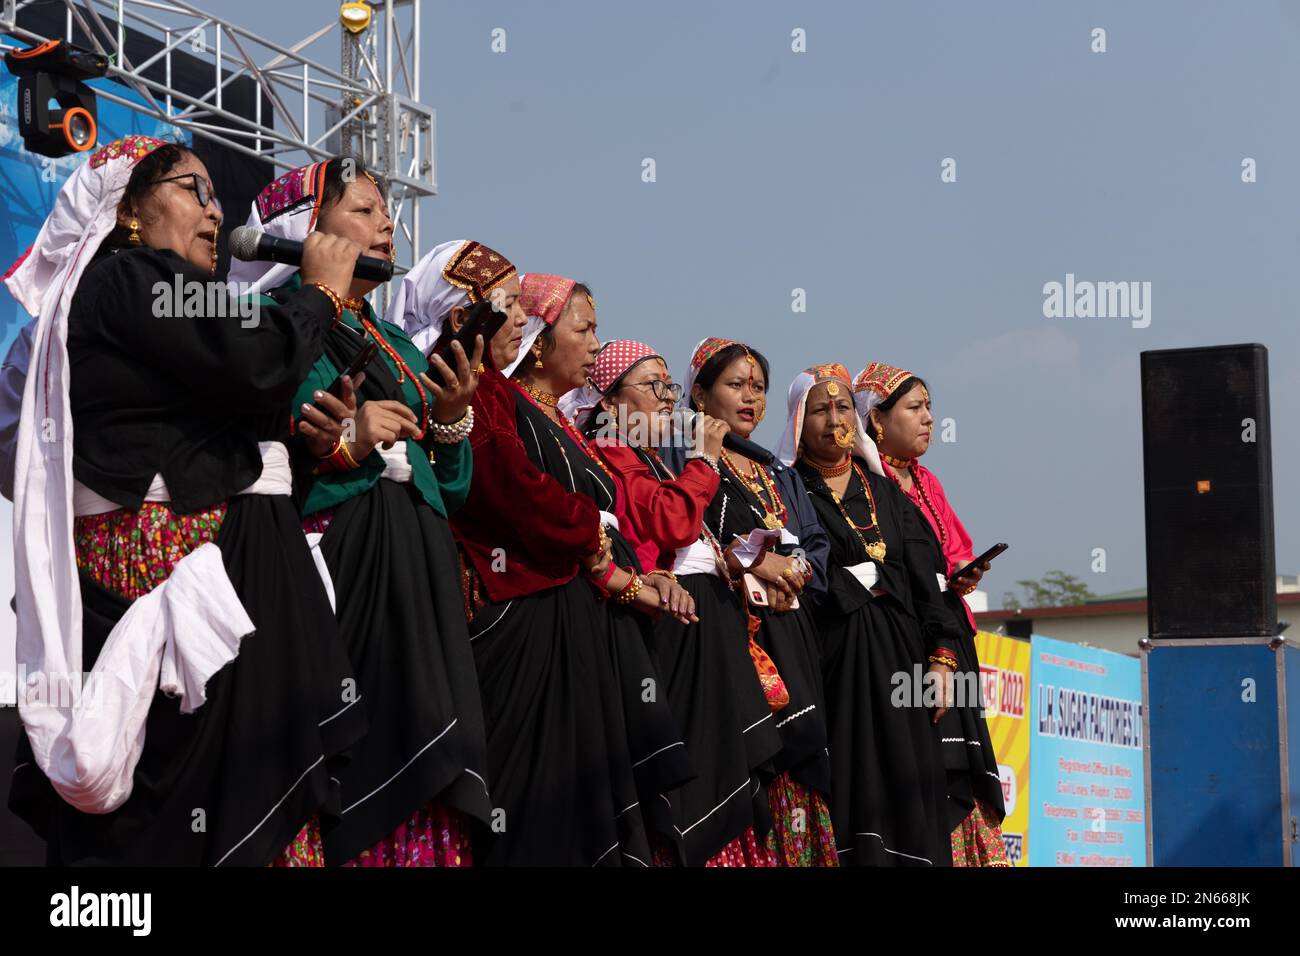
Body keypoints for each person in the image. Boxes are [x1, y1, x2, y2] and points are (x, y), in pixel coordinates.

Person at [5, 135, 366, 865]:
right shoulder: (133, 277)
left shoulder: (157, 300)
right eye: (191, 190)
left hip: (229, 569)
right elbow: (258, 360)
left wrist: (308, 440)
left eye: (217, 196)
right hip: (170, 572)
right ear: (130, 209)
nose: (214, 212)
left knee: (234, 802)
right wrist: (321, 293)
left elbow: (226, 430)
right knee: (199, 811)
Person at [229, 161, 493, 866]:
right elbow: (262, 460)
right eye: (363, 210)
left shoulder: (397, 343)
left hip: (419, 570)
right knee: (372, 745)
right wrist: (348, 442)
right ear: (307, 232)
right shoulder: (277, 325)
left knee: (439, 743)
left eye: (387, 212)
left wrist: (449, 420)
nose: (386, 225)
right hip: (341, 568)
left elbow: (449, 491)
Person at [388, 252, 687, 865]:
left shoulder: (518, 402)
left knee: (578, 799)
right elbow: (507, 488)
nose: (516, 320)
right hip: (518, 610)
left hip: (567, 615)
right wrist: (595, 544)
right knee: (537, 800)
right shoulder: (480, 391)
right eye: (506, 308)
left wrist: (621, 564)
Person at [562, 340, 784, 866]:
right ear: (611, 402)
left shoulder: (648, 456)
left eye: (669, 386)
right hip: (660, 629)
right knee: (691, 784)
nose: (668, 399)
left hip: (695, 625)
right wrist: (706, 460)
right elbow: (671, 522)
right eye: (653, 386)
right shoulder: (609, 446)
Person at [780, 362, 962, 865]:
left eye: (842, 406)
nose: (833, 417)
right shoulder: (789, 490)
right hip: (836, 663)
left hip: (903, 660)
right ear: (799, 421)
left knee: (911, 783)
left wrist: (943, 658)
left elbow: (926, 579)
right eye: (820, 409)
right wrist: (860, 584)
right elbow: (804, 572)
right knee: (853, 786)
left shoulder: (885, 493)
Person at [672, 337, 838, 866]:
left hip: (790, 631)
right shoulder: (684, 458)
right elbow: (683, 537)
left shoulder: (776, 473)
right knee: (749, 762)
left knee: (801, 772)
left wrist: (796, 569)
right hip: (732, 635)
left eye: (760, 388)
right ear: (699, 393)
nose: (751, 398)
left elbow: (815, 548)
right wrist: (746, 563)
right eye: (736, 385)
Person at [855, 361, 1009, 866]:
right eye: (915, 408)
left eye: (930, 408)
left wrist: (965, 571)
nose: (929, 420)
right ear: (876, 420)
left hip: (951, 635)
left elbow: (953, 550)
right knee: (931, 762)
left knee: (963, 758)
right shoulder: (866, 485)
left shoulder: (928, 481)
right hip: (909, 642)